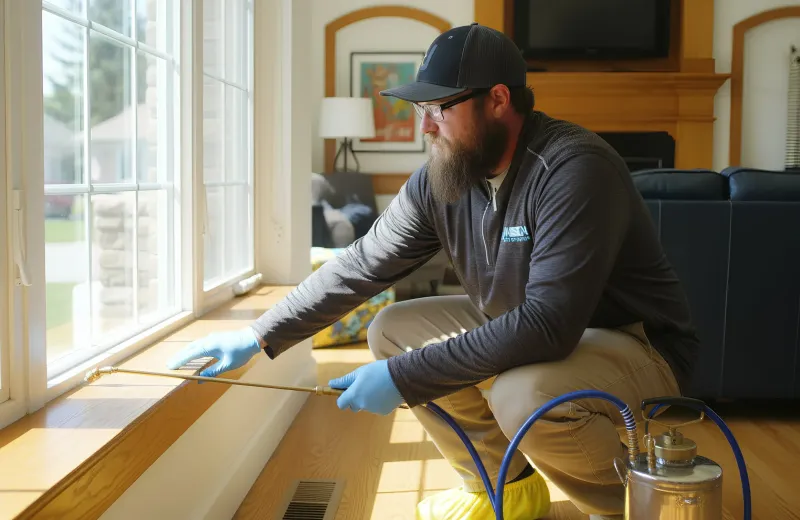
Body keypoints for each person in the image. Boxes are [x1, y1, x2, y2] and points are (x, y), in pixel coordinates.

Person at [167, 23, 700, 520]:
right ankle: (506, 491)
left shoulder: (574, 169)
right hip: (533, 323)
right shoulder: (443, 176)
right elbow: (361, 263)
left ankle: (637, 503)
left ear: (497, 100)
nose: (424, 126)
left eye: (439, 108)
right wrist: (260, 335)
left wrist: (404, 379)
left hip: (633, 343)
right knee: (392, 331)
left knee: (524, 394)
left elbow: (548, 325)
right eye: (421, 108)